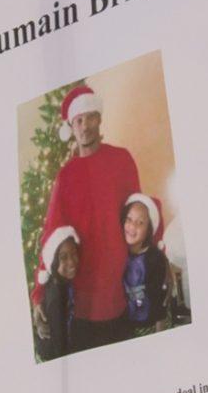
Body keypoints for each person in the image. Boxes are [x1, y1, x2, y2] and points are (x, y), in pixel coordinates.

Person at [32, 86, 144, 350]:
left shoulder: (122, 160)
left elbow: (140, 219)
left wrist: (157, 260)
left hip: (122, 294)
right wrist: (38, 294)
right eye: (78, 120)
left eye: (90, 117)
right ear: (71, 126)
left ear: (99, 118)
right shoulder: (66, 176)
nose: (85, 126)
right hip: (83, 304)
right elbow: (52, 235)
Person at [120, 194, 171, 335]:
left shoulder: (155, 259)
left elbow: (161, 302)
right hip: (128, 328)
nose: (132, 226)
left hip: (151, 327)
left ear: (149, 229)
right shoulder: (119, 253)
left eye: (140, 222)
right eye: (129, 219)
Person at [34, 226, 80, 361]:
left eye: (74, 253)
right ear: (53, 263)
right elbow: (60, 349)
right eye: (63, 258)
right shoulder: (56, 299)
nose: (71, 262)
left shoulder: (63, 282)